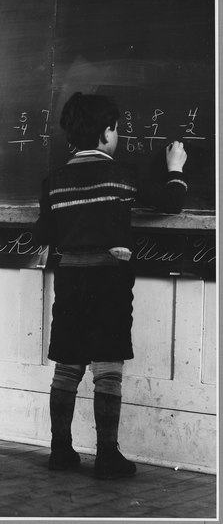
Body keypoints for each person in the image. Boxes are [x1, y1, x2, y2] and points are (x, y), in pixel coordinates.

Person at [35, 92, 188, 479]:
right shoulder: (123, 176)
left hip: (70, 279)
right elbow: (171, 202)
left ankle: (61, 451)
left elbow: (44, 233)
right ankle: (107, 455)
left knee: (67, 364)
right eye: (116, 129)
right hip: (110, 280)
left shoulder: (53, 182)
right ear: (107, 134)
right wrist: (176, 167)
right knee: (108, 365)